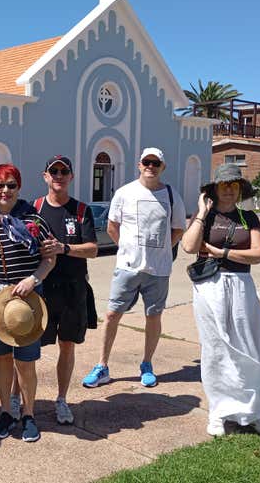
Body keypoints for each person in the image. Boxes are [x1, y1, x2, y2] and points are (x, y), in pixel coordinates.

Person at [181, 163, 260, 438]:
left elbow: (259, 254)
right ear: (214, 189)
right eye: (224, 184)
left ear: (240, 189)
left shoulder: (248, 217)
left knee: (246, 345)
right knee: (215, 348)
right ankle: (218, 410)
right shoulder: (204, 216)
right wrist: (202, 212)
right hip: (209, 288)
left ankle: (254, 411)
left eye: (234, 185)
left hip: (241, 286)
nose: (229, 189)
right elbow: (189, 246)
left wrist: (220, 251)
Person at [82, 148, 186, 389]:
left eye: (155, 163)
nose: (150, 166)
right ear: (139, 165)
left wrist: (160, 251)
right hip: (127, 268)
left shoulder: (172, 195)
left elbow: (178, 229)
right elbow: (112, 227)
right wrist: (127, 249)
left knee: (153, 316)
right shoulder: (124, 193)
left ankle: (147, 364)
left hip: (158, 271)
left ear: (162, 167)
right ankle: (102, 366)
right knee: (111, 315)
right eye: (146, 162)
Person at [0, 164, 55, 443]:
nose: (5, 191)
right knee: (1, 359)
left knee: (25, 362)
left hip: (28, 300)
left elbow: (49, 259)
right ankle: (5, 412)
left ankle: (29, 414)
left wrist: (33, 279)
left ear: (19, 188)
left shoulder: (34, 220)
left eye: (11, 185)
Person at [34, 155, 98, 425]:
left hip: (74, 289)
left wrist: (64, 248)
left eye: (64, 171)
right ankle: (18, 398)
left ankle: (61, 400)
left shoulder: (81, 210)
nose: (58, 175)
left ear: (71, 176)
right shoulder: (35, 208)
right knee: (29, 347)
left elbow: (93, 249)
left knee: (67, 345)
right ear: (45, 176)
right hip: (43, 289)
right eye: (54, 171)